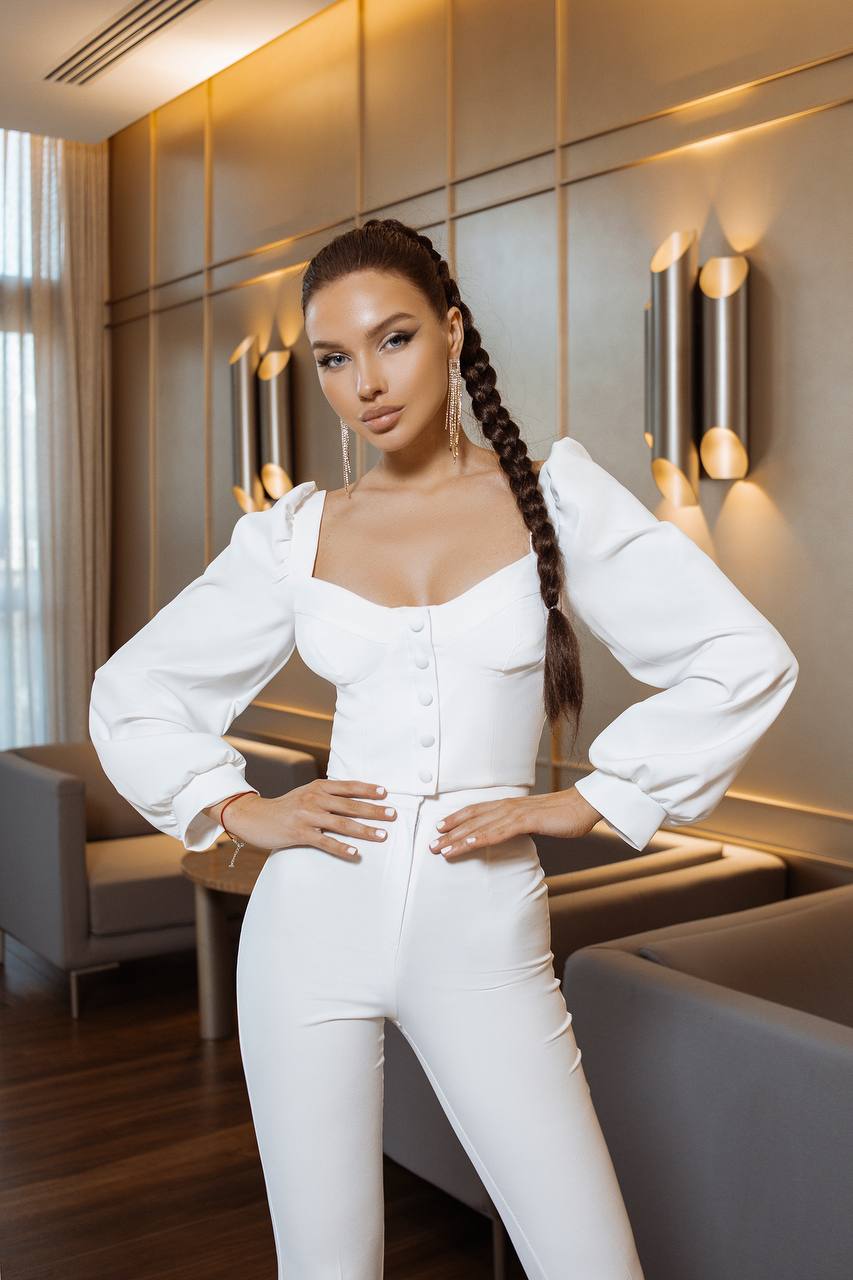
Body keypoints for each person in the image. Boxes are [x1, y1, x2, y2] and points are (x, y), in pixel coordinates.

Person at [89, 217, 798, 1279]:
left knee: (590, 1262)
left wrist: (595, 797)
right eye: (333, 357)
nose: (364, 382)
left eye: (394, 339)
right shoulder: (294, 533)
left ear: (453, 332)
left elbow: (743, 654)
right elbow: (132, 689)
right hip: (307, 924)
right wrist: (240, 809)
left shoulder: (552, 498)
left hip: (482, 930)